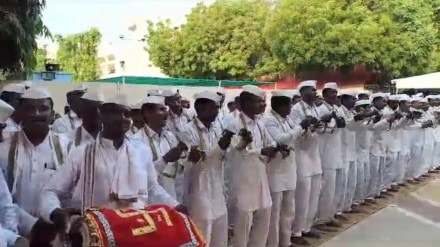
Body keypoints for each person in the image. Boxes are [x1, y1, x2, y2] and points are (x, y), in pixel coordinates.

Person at [40, 94, 183, 229]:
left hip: (134, 230)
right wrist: (54, 212)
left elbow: (152, 189)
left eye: (126, 114)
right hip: (95, 231)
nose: (122, 118)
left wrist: (176, 206)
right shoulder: (82, 153)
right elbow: (50, 191)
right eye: (115, 113)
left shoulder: (141, 151)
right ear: (101, 116)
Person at [0, 87, 70, 217]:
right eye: (30, 109)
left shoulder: (66, 147)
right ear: (21, 114)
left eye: (43, 109)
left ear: (52, 114)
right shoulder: (5, 148)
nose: (36, 114)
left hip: (56, 230)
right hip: (17, 230)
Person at [225, 85, 279, 247]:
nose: (262, 105)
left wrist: (273, 149)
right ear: (244, 104)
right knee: (243, 223)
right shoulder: (233, 124)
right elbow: (236, 152)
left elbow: (271, 142)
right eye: (258, 102)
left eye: (263, 102)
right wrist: (262, 151)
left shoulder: (259, 123)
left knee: (264, 216)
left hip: (260, 176)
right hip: (243, 179)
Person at [181, 90, 231, 247]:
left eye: (217, 107)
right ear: (201, 109)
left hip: (217, 186)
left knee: (220, 228)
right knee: (203, 230)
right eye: (213, 107)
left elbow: (223, 156)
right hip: (199, 188)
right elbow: (197, 161)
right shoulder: (187, 131)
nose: (217, 111)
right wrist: (219, 147)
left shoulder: (217, 127)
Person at [264, 90, 308, 247]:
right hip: (275, 171)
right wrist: (300, 126)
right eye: (289, 105)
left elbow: (294, 137)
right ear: (279, 106)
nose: (291, 109)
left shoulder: (286, 119)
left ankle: (285, 242)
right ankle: (273, 243)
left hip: (289, 169)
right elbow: (282, 139)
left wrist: (304, 128)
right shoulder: (269, 120)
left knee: (288, 211)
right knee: (275, 213)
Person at [132, 95, 187, 200]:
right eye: (162, 110)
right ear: (147, 114)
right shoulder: (137, 141)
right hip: (151, 203)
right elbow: (141, 177)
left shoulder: (170, 137)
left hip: (173, 198)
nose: (166, 113)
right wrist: (165, 159)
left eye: (166, 109)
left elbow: (178, 172)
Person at [290, 80, 323, 246]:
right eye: (311, 89)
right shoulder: (296, 109)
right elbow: (295, 133)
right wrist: (308, 126)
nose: (315, 92)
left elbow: (320, 128)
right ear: (302, 92)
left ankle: (307, 226)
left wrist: (320, 124)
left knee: (314, 192)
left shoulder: (314, 107)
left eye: (315, 89)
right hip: (302, 154)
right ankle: (296, 231)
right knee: (303, 194)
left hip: (314, 153)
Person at [315, 82, 345, 232]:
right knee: (327, 187)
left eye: (335, 92)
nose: (335, 95)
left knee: (335, 187)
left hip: (337, 151)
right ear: (325, 94)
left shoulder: (337, 109)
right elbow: (320, 130)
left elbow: (342, 125)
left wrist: (340, 122)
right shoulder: (320, 110)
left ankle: (330, 215)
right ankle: (321, 219)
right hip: (325, 153)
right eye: (332, 93)